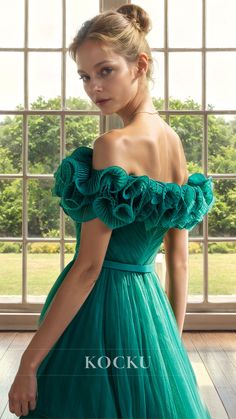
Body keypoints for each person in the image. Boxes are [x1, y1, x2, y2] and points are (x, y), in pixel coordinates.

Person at [8, 3, 215, 418]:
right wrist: (169, 347)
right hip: (150, 313)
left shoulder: (114, 145)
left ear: (140, 65)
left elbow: (88, 268)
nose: (93, 87)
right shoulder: (173, 143)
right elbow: (178, 261)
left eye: (105, 71)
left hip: (101, 310)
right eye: (85, 76)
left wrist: (27, 363)